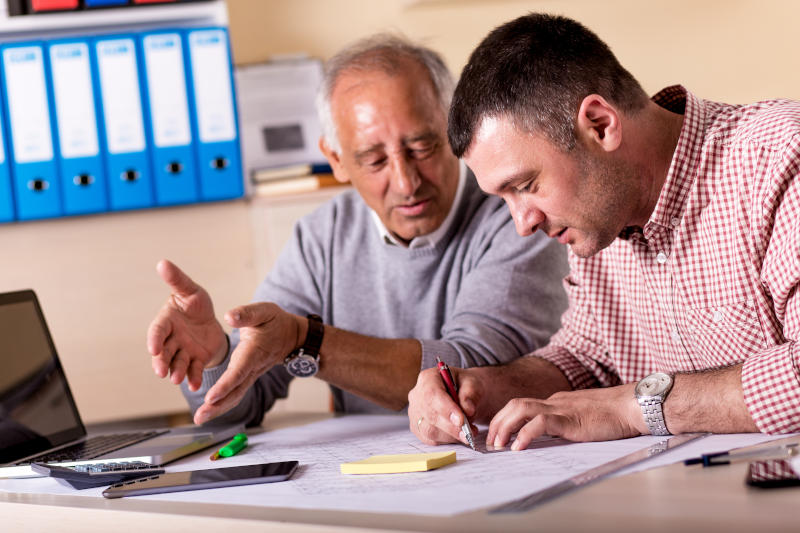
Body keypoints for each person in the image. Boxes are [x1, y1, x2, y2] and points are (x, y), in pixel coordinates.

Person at [409, 13, 800, 450]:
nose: (523, 224)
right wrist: (481, 389)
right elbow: (586, 361)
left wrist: (633, 408)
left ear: (600, 124)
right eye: (505, 198)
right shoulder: (597, 220)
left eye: (525, 186)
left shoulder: (780, 160)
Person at [146, 34, 568, 426]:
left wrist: (304, 339)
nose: (406, 182)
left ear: (454, 129)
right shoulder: (322, 237)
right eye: (374, 160)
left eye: (422, 147)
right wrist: (216, 358)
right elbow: (235, 408)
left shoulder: (518, 215)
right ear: (336, 160)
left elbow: (466, 371)